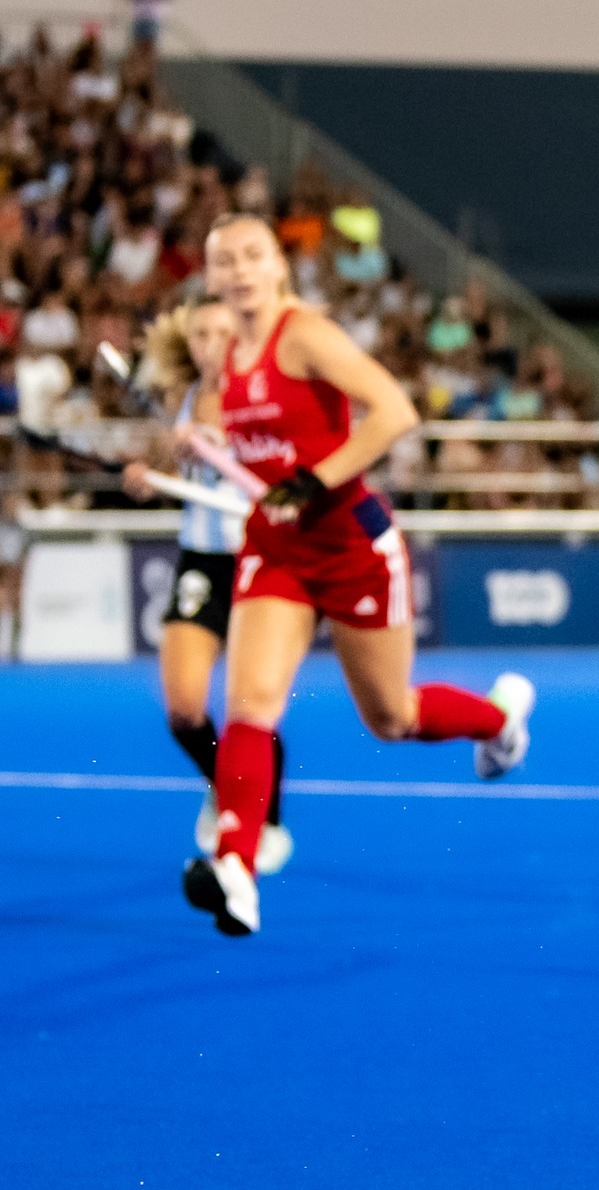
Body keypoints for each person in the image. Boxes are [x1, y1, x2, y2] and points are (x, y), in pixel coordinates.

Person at [184, 215, 535, 937]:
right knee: (250, 705)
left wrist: (311, 481)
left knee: (391, 717)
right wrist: (195, 446)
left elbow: (394, 412)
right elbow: (249, 441)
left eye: (254, 255)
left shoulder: (304, 334)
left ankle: (499, 720)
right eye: (227, 261)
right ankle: (237, 867)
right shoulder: (228, 354)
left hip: (352, 543)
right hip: (275, 547)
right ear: (213, 278)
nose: (241, 270)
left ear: (277, 265)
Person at [122, 295, 293, 875]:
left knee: (251, 707)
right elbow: (174, 472)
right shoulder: (185, 401)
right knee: (184, 709)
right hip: (201, 559)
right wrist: (152, 475)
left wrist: (221, 451)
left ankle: (263, 820)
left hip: (258, 559)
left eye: (221, 332)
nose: (210, 345)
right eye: (199, 335)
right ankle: (224, 785)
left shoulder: (267, 394)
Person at [0, 486, 27, 661]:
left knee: (17, 605)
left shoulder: (22, 529)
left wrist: (19, 568)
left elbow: (26, 551)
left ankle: (14, 648)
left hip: (15, 571)